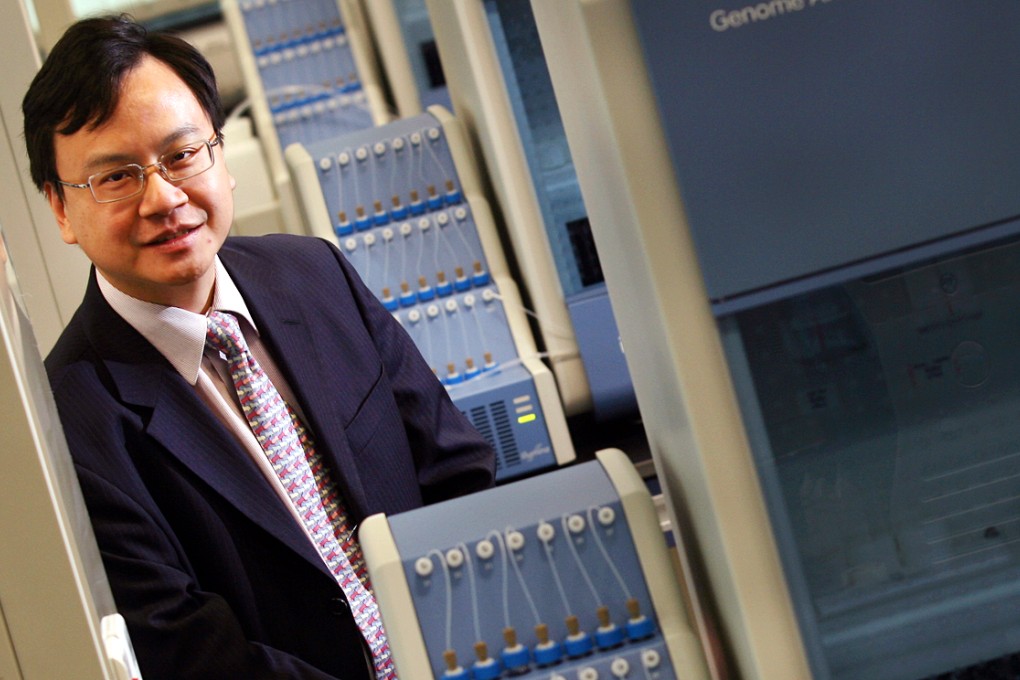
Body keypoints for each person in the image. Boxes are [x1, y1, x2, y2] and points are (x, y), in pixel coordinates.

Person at [21, 14, 495, 679]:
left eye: (182, 154)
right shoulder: (74, 422)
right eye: (117, 177)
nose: (164, 197)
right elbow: (189, 652)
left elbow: (457, 472)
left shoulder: (316, 275)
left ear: (219, 154)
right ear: (61, 209)